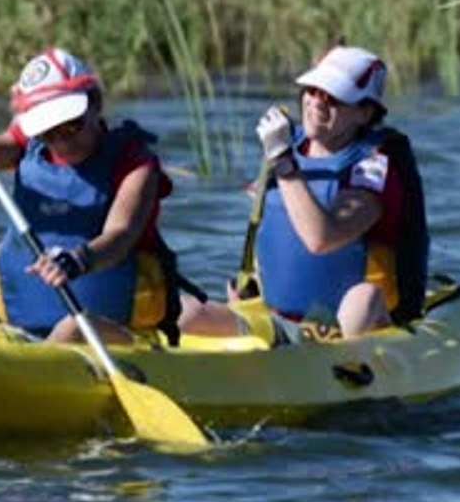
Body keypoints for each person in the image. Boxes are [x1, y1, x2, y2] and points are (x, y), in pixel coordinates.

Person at [0, 47, 192, 345]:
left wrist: (77, 261)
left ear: (96, 104)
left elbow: (120, 235)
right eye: (48, 133)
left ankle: (21, 375)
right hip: (30, 333)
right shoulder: (24, 148)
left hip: (117, 334)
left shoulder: (134, 162)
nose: (62, 141)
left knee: (72, 328)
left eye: (70, 125)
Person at [179, 46, 430, 343]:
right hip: (279, 319)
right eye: (312, 90)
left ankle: (342, 375)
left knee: (361, 302)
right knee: (184, 311)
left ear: (364, 113)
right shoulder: (286, 145)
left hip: (349, 327)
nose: (317, 103)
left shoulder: (374, 165)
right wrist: (251, 284)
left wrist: (284, 164)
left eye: (333, 98)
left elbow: (322, 238)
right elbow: (276, 228)